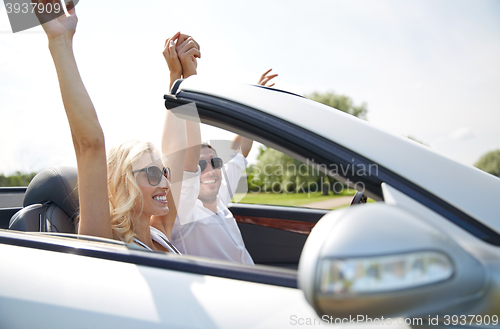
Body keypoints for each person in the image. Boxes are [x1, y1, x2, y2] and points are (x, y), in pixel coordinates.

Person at [35, 0, 199, 252]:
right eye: (154, 175)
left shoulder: (160, 232)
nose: (166, 184)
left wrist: (180, 80)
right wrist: (59, 40)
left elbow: (182, 152)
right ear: (124, 183)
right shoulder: (105, 242)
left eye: (163, 173)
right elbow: (90, 145)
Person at [169, 68, 278, 264]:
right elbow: (184, 155)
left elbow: (240, 149)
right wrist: (179, 79)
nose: (211, 170)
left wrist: (256, 100)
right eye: (200, 165)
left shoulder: (220, 196)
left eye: (216, 162)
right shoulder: (184, 212)